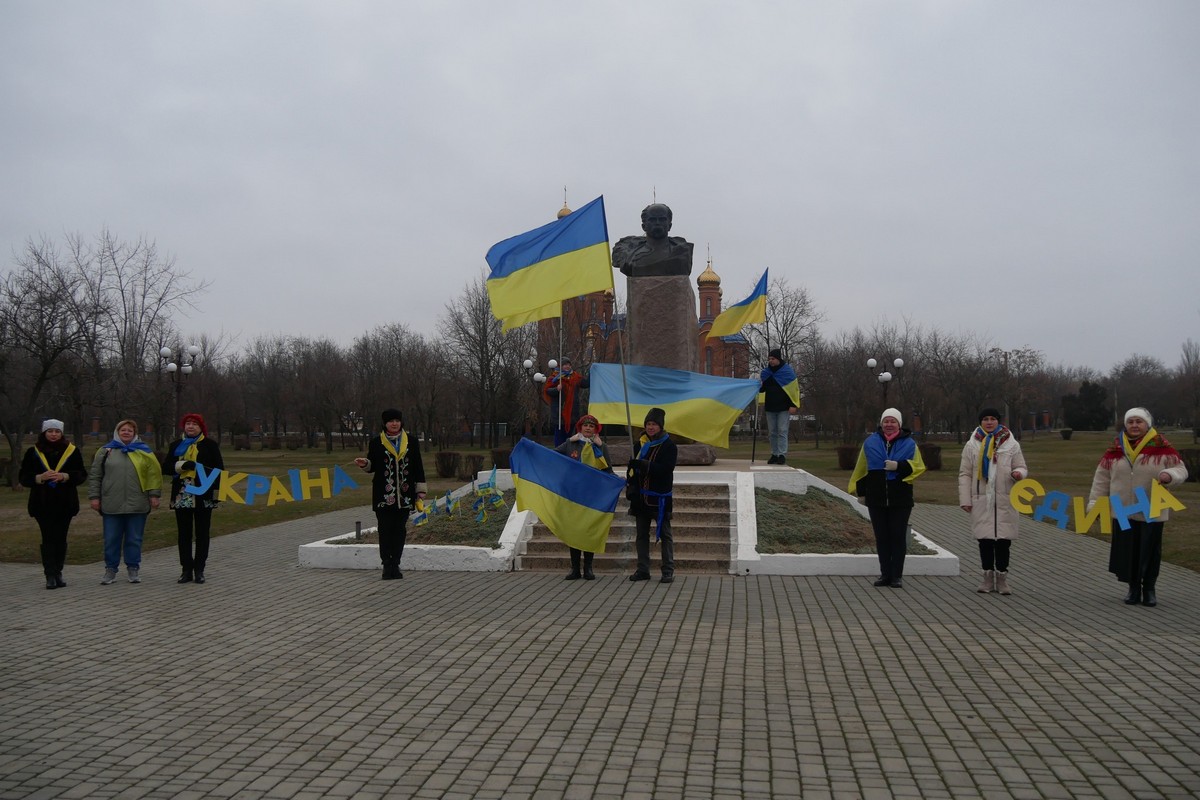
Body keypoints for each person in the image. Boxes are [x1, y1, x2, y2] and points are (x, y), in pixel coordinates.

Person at [1087, 407, 1188, 607]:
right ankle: (1133, 588)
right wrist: (1094, 503)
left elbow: (1181, 469)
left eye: (1138, 421)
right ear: (1125, 424)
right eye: (1130, 421)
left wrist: (1170, 476)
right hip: (1122, 509)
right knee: (1128, 551)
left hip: (1151, 509)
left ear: (1147, 424)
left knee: (1150, 551)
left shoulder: (1162, 448)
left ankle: (1149, 588)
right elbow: (1101, 479)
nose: (1134, 425)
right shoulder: (1115, 450)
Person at [849, 408, 926, 588]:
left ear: (899, 424)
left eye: (893, 421)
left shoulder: (909, 444)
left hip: (901, 499)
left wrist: (899, 466)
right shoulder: (870, 442)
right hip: (876, 499)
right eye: (886, 421)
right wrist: (861, 492)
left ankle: (896, 576)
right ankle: (885, 574)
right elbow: (861, 468)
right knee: (882, 538)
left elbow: (918, 467)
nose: (889, 425)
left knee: (897, 537)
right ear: (881, 423)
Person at [957, 408, 1029, 595]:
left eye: (993, 419)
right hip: (981, 499)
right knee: (985, 541)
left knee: (1004, 541)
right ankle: (987, 578)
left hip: (1006, 498)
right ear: (980, 422)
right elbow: (965, 474)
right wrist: (965, 499)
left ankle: (1002, 578)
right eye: (985, 419)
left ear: (999, 421)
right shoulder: (972, 445)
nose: (989, 422)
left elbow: (1021, 466)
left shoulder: (1011, 445)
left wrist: (1019, 474)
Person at [87, 420, 162, 585]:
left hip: (138, 504)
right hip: (111, 504)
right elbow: (95, 476)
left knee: (134, 538)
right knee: (111, 538)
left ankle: (133, 568)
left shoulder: (144, 451)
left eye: (130, 430)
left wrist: (154, 494)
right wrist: (94, 497)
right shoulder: (106, 451)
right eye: (123, 430)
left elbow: (153, 475)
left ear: (135, 433)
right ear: (117, 431)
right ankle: (110, 569)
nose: (126, 432)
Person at [354, 409, 427, 580]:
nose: (394, 424)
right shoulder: (376, 442)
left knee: (399, 530)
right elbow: (372, 466)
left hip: (405, 494)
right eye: (390, 421)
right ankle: (386, 564)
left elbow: (418, 466)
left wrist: (421, 490)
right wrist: (365, 463)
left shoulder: (411, 442)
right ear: (384, 424)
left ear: (401, 422)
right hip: (383, 495)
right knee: (385, 530)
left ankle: (396, 564)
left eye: (397, 420)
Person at [19, 419, 88, 590]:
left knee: (61, 538)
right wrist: (39, 478)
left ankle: (58, 572)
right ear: (44, 432)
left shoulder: (71, 451)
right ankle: (49, 574)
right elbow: (23, 477)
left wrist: (65, 476)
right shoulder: (33, 452)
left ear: (62, 433)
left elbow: (81, 474)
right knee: (48, 538)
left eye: (57, 431)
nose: (53, 434)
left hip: (65, 503)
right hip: (42, 503)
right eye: (50, 431)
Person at [162, 413, 224, 585]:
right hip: (183, 493)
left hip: (204, 493)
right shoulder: (176, 445)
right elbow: (166, 468)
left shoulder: (209, 445)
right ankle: (186, 569)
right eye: (188, 423)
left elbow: (220, 469)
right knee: (184, 533)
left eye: (194, 424)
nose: (190, 427)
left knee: (202, 533)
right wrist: (181, 466)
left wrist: (205, 477)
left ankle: (199, 569)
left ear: (200, 427)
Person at [556, 414, 612, 581]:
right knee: (574, 531)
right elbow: (552, 457)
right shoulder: (570, 444)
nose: (588, 428)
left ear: (596, 430)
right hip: (573, 495)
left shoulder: (601, 446)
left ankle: (588, 568)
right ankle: (575, 569)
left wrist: (618, 480)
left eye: (592, 426)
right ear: (580, 427)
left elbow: (608, 469)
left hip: (592, 495)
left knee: (589, 530)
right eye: (585, 425)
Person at [626, 407, 678, 584]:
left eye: (654, 424)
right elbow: (631, 469)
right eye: (648, 424)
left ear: (660, 426)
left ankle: (668, 570)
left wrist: (643, 464)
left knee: (665, 535)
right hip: (641, 499)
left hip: (660, 499)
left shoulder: (669, 445)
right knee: (641, 535)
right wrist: (631, 474)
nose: (650, 427)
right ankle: (643, 569)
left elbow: (666, 469)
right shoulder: (639, 444)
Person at [759, 348, 800, 465]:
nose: (770, 361)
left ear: (778, 359)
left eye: (773, 358)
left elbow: (794, 390)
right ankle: (774, 454)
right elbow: (762, 389)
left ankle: (782, 454)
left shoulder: (787, 372)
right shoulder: (766, 373)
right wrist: (758, 384)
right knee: (772, 432)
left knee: (782, 431)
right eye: (769, 359)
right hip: (770, 407)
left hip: (783, 407)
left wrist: (793, 404)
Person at [544, 357, 589, 446]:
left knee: (570, 436)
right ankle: (559, 453)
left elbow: (586, 384)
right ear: (561, 366)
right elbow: (547, 390)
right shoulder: (555, 377)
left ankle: (568, 453)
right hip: (559, 412)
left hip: (573, 412)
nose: (567, 366)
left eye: (568, 364)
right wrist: (556, 389)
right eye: (565, 365)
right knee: (559, 435)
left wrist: (592, 372)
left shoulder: (576, 377)